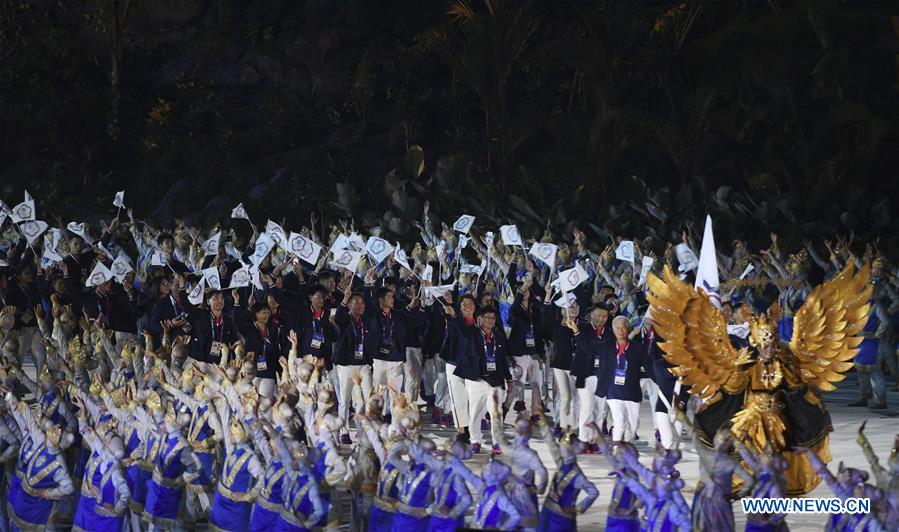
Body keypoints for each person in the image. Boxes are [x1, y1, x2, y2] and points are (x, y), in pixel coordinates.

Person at [452, 306, 513, 454]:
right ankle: (475, 441)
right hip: (476, 380)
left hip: (495, 381)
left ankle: (497, 442)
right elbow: (461, 328)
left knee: (496, 412)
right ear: (481, 319)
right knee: (475, 412)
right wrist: (455, 315)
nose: (490, 321)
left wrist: (509, 379)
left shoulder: (499, 336)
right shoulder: (473, 333)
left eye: (493, 318)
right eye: (487, 318)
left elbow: (502, 360)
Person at [569, 303, 612, 450]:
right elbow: (587, 349)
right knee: (587, 407)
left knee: (600, 410)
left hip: (603, 376)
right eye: (598, 315)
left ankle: (595, 442)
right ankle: (583, 440)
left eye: (604, 316)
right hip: (585, 375)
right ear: (591, 315)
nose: (601, 319)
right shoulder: (581, 329)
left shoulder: (610, 333)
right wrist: (576, 332)